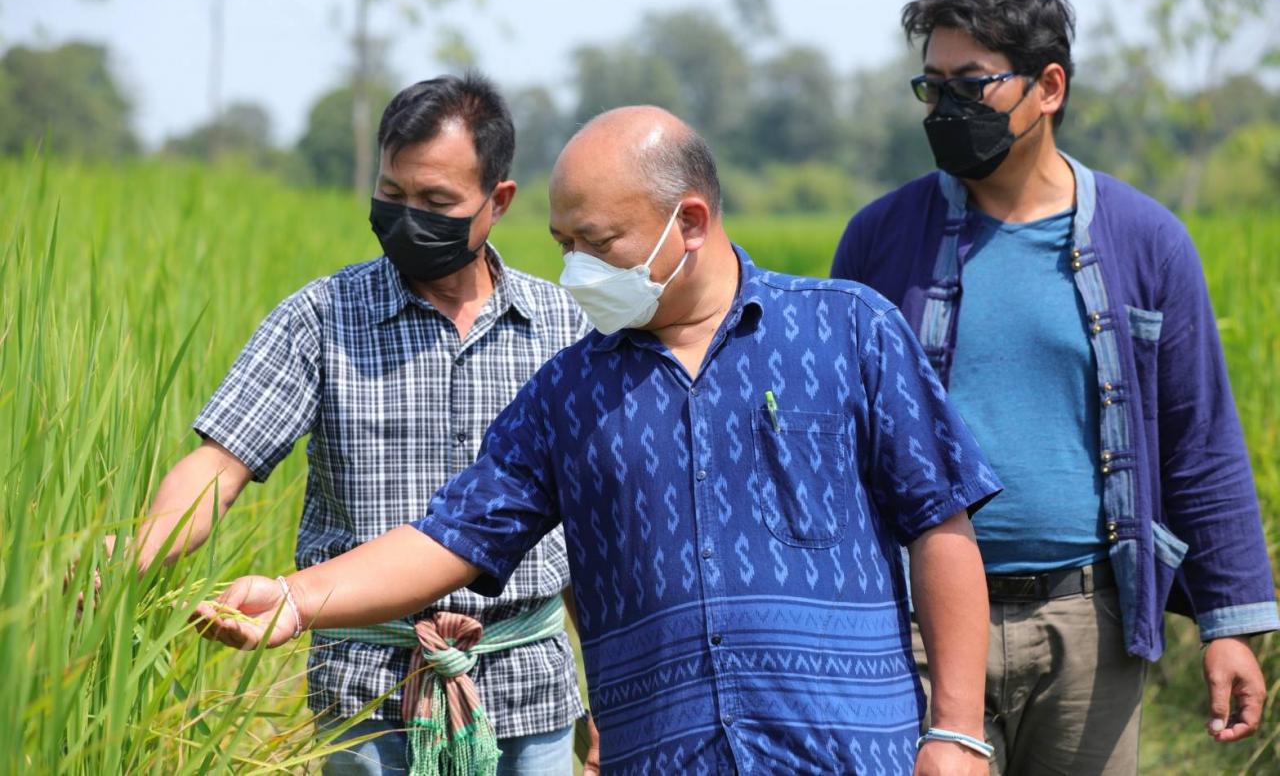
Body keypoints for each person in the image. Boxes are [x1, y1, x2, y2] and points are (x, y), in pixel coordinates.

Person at [194, 104, 1003, 776]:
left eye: (598, 242)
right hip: (664, 757)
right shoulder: (570, 390)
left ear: (687, 222)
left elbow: (939, 525)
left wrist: (958, 730)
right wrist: (299, 600)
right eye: (563, 246)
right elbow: (450, 537)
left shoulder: (849, 331)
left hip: (853, 752)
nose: (576, 270)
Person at [831, 0, 1279, 775]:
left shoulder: (1146, 242)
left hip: (1087, 624)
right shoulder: (881, 240)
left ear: (1048, 87)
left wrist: (1228, 622)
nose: (945, 109)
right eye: (931, 86)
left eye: (971, 84)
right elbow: (832, 439)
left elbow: (1199, 439)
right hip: (916, 627)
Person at [123, 73, 589, 774]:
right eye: (392, 194)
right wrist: (135, 553)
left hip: (529, 693)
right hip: (368, 698)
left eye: (436, 202)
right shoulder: (321, 318)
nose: (408, 217)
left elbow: (591, 526)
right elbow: (219, 466)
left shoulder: (562, 327)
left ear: (498, 201)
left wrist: (608, 704)